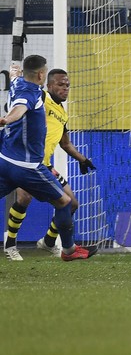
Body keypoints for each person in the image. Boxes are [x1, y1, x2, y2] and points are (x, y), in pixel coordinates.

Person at [0, 55, 94, 261]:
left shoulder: (62, 113)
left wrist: (82, 159)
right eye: (61, 84)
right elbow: (20, 107)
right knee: (37, 199)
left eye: (68, 85)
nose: (66, 88)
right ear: (46, 80)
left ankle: (49, 241)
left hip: (34, 162)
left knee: (72, 203)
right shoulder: (40, 96)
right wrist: (6, 119)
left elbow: (65, 142)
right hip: (29, 164)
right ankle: (12, 246)